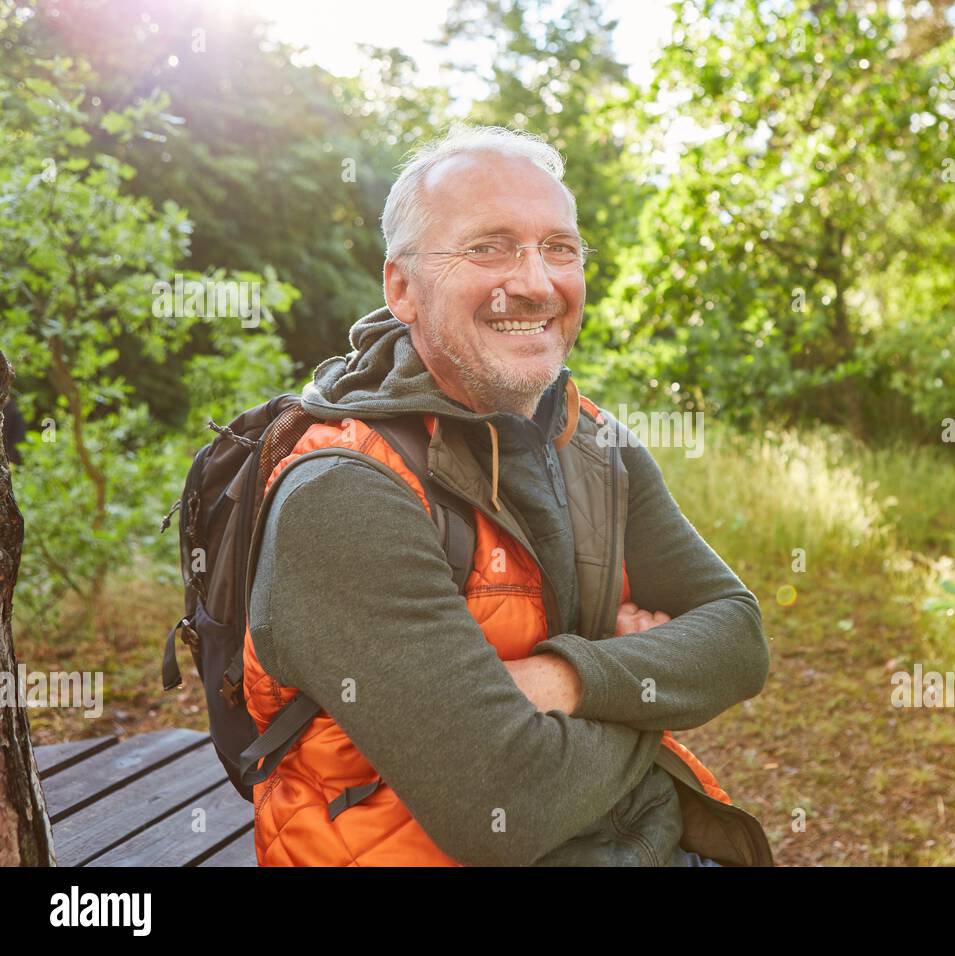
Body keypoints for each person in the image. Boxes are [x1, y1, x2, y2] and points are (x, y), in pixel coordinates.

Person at [243, 124, 771, 866]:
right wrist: (644, 671)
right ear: (402, 288)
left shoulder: (592, 440)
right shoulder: (343, 495)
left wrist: (571, 677)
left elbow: (739, 641)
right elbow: (506, 807)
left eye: (559, 248)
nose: (534, 282)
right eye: (488, 246)